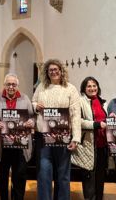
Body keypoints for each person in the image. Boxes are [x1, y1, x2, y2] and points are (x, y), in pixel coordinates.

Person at [32, 58, 81, 200]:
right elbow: (33, 101)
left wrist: (76, 138)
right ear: (47, 72)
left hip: (63, 137)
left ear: (61, 71)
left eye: (56, 69)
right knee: (44, 173)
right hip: (44, 137)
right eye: (50, 70)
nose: (53, 72)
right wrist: (36, 106)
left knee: (63, 174)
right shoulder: (41, 87)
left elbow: (76, 115)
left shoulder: (70, 89)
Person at [0, 73, 34, 200]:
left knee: (19, 175)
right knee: (2, 175)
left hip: (21, 145)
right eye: (8, 84)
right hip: (2, 144)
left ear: (17, 86)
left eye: (13, 84)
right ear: (4, 85)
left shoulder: (25, 99)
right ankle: (3, 197)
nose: (11, 87)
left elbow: (32, 116)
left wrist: (32, 122)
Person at [76, 76, 108, 200]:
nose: (92, 88)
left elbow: (105, 118)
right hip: (88, 144)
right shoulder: (80, 101)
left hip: (102, 145)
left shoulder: (102, 102)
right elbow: (77, 121)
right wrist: (96, 124)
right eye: (89, 86)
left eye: (94, 85)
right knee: (89, 177)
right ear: (84, 88)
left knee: (100, 176)